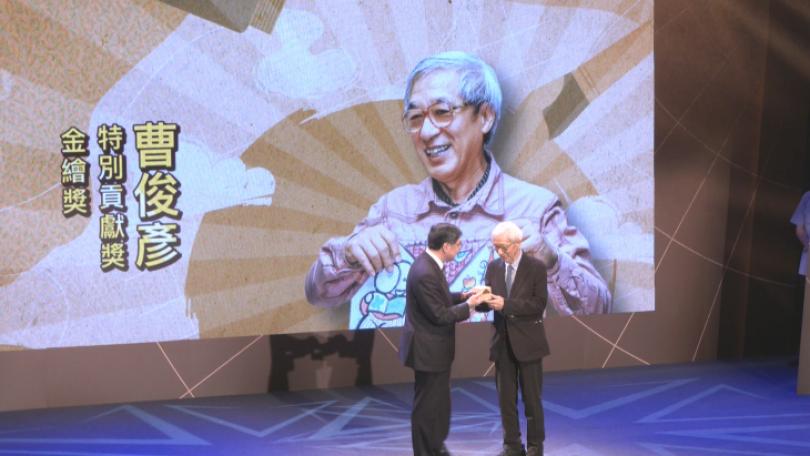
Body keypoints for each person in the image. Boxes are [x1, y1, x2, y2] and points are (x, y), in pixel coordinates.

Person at [305, 51, 611, 328]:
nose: (426, 132)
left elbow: (598, 311)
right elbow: (318, 293)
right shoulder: (392, 209)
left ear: (485, 117)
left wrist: (550, 260)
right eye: (415, 118)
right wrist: (348, 254)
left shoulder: (534, 208)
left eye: (442, 112)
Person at [399, 223, 485, 456]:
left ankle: (435, 445)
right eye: (458, 244)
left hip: (434, 350)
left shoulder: (430, 265)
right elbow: (439, 315)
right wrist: (469, 306)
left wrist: (463, 296)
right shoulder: (425, 272)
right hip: (427, 350)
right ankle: (425, 451)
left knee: (437, 403)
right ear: (446, 246)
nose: (460, 248)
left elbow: (439, 298)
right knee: (427, 405)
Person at [479, 221, 550, 456]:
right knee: (506, 401)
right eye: (495, 247)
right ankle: (512, 445)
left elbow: (538, 304)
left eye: (503, 247)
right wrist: (479, 300)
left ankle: (535, 446)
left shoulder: (536, 268)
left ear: (517, 243)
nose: (499, 252)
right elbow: (488, 303)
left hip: (529, 342)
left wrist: (506, 305)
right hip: (502, 344)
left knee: (532, 399)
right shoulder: (493, 267)